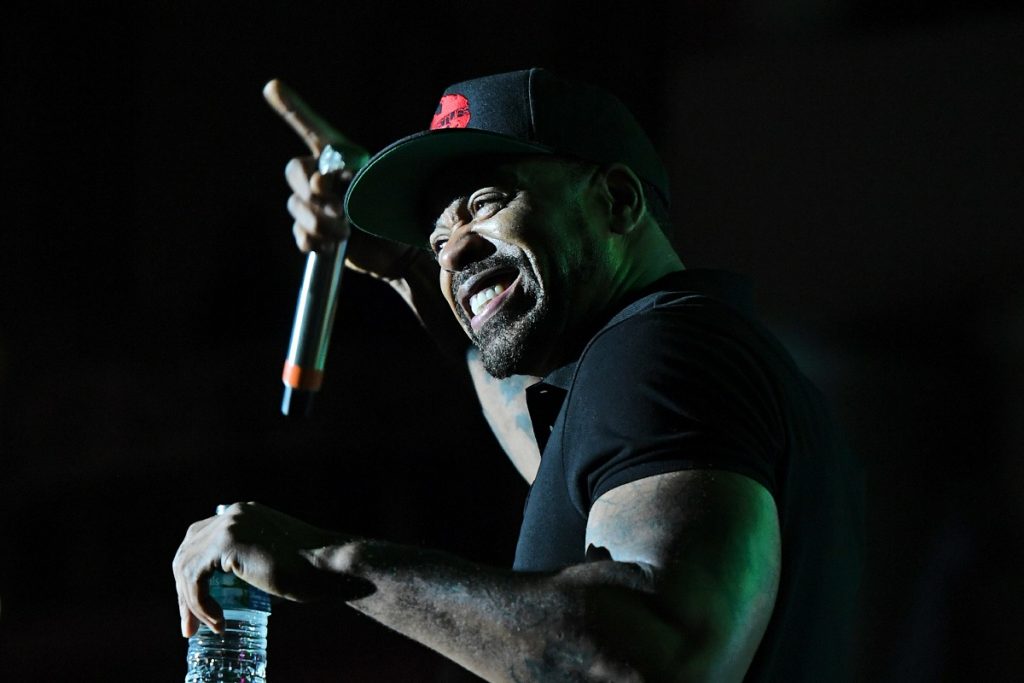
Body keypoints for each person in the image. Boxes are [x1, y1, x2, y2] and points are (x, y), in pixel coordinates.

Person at [173, 68, 863, 682]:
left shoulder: (656, 351)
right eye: (437, 240)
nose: (453, 253)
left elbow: (650, 657)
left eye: (485, 204)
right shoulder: (685, 365)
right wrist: (405, 265)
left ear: (618, 200)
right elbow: (551, 452)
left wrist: (326, 561)